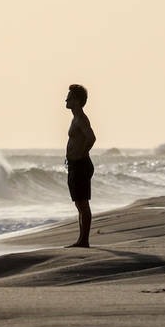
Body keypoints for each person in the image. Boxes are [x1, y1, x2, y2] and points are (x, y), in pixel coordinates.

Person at [65, 84, 96, 248]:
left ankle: (84, 240)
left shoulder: (81, 119)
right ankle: (81, 239)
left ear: (77, 101)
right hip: (75, 164)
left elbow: (91, 138)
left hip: (81, 164)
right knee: (79, 203)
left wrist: (81, 153)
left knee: (83, 204)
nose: (66, 99)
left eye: (69, 97)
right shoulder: (75, 118)